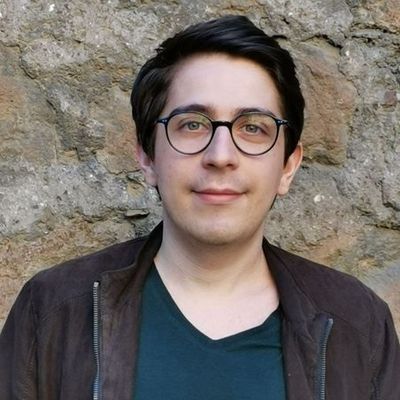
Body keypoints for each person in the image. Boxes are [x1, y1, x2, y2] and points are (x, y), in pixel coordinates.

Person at [0, 15, 399, 400]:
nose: (220, 156)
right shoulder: (50, 311)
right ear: (147, 157)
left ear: (287, 166)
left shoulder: (360, 326)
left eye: (253, 127)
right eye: (192, 124)